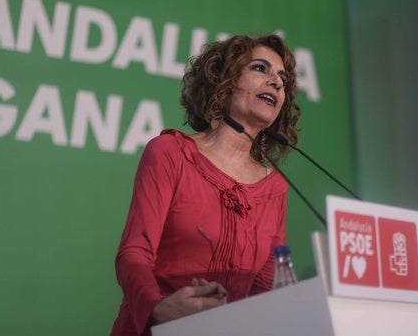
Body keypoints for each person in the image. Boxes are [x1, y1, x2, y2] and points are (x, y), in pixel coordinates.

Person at [109, 34, 301, 336]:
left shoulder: (274, 188)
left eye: (283, 79)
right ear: (224, 82)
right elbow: (134, 253)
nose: (277, 83)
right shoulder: (170, 153)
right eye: (261, 69)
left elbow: (267, 288)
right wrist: (158, 307)